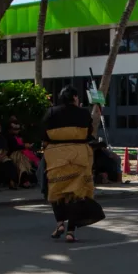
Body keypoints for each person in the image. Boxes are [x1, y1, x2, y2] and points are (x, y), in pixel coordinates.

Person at [42, 88, 103, 241]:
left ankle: (60, 223)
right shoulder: (83, 113)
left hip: (56, 158)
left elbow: (42, 134)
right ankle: (70, 232)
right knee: (77, 195)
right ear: (75, 97)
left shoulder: (50, 112)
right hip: (79, 157)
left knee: (55, 192)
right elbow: (89, 133)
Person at [0, 121, 20, 190]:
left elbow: (6, 148)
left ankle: (12, 182)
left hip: (2, 155)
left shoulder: (2, 137)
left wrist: (2, 155)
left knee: (10, 163)